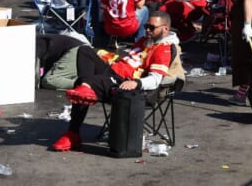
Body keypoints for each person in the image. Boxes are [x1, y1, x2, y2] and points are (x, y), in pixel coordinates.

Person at [51, 11, 177, 151]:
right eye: (146, 26)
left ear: (165, 29)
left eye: (151, 27)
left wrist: (137, 83)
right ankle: (86, 89)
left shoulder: (163, 49)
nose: (147, 30)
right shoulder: (145, 40)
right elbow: (127, 60)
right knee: (84, 51)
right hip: (113, 70)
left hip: (123, 82)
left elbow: (155, 79)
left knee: (86, 82)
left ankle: (73, 133)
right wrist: (106, 56)